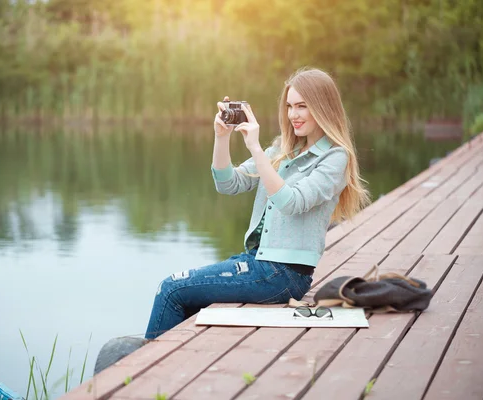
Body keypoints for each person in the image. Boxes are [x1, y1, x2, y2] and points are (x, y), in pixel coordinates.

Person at [144, 67, 371, 340]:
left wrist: (255, 147)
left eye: (302, 106)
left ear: (322, 107)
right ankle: (166, 361)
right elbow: (228, 183)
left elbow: (292, 202)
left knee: (170, 288)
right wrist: (222, 137)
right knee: (183, 295)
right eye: (289, 106)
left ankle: (144, 369)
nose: (293, 115)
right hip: (257, 264)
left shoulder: (335, 158)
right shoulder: (283, 150)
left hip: (283, 275)